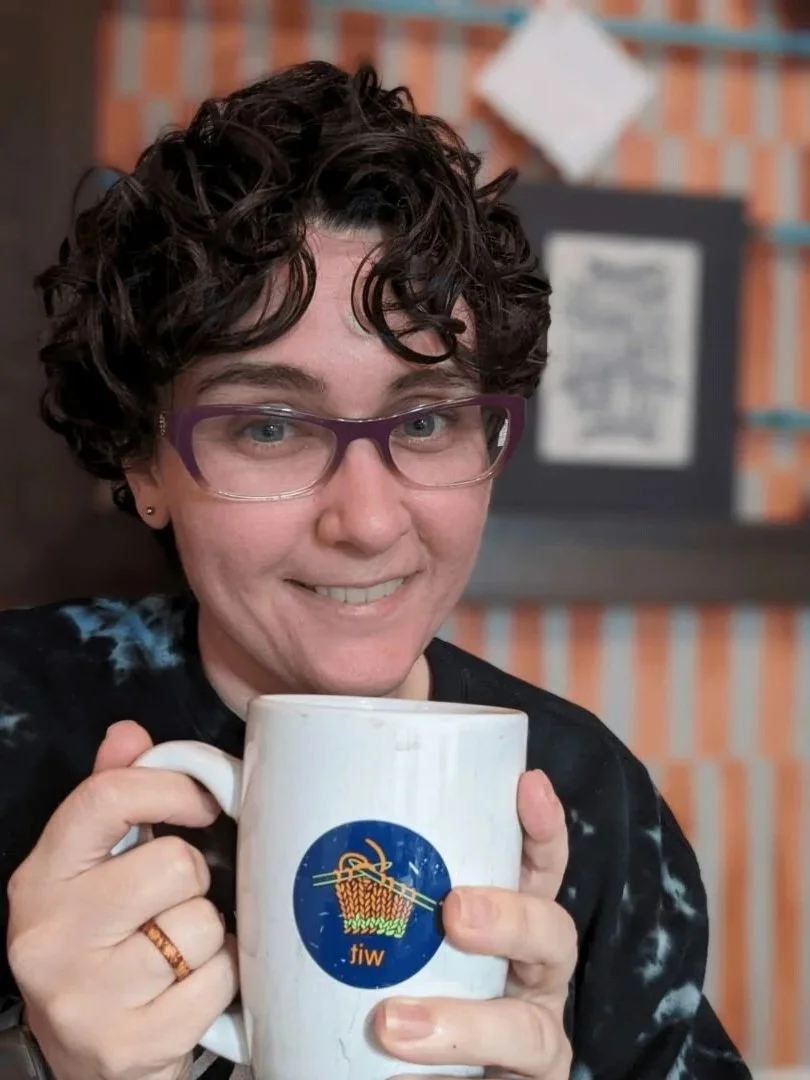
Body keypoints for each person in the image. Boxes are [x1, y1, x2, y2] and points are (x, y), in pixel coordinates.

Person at [0, 60, 750, 1080]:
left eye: (428, 420)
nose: (366, 520)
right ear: (144, 465)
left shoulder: (586, 799)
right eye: (269, 425)